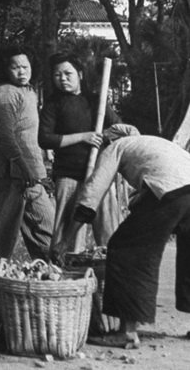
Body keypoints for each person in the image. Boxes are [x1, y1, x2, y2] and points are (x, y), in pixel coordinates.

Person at [66, 124, 190, 349]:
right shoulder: (153, 143)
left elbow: (91, 195)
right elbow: (156, 184)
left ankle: (127, 333)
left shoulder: (116, 147)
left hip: (172, 189)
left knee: (126, 249)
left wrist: (66, 239)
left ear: (108, 141)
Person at [0, 50, 54, 265]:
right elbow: (5, 136)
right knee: (0, 232)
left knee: (47, 227)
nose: (21, 72)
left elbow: (29, 132)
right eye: (15, 67)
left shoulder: (30, 92)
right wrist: (21, 165)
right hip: (11, 173)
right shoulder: (7, 93)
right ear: (5, 70)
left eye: (25, 67)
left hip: (32, 175)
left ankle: (56, 273)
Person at [38, 51, 124, 254]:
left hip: (99, 175)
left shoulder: (96, 101)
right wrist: (83, 136)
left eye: (68, 73)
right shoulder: (53, 104)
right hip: (68, 175)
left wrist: (106, 135)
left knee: (108, 232)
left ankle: (109, 274)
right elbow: (45, 139)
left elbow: (120, 129)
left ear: (80, 74)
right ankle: (67, 276)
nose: (62, 79)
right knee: (67, 232)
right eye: (57, 75)